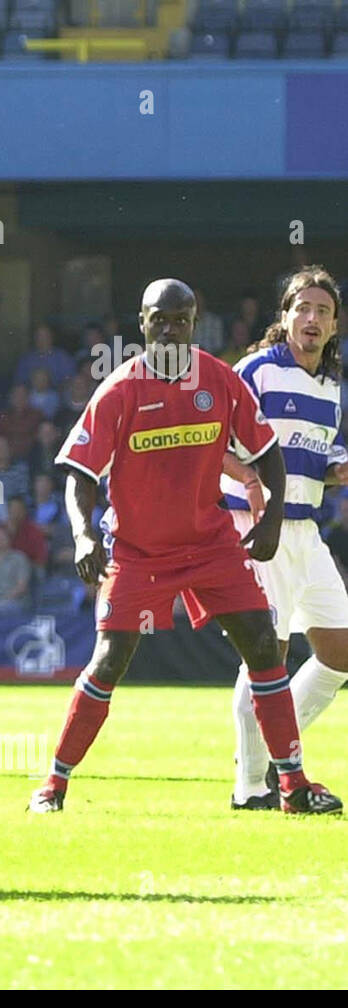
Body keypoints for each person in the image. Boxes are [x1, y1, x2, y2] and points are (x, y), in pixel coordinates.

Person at [30, 277, 341, 815]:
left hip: (212, 543)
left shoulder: (219, 380)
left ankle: (289, 784)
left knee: (265, 648)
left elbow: (268, 452)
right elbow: (79, 474)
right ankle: (54, 785)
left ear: (195, 324)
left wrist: (265, 523)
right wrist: (83, 534)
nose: (170, 329)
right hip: (138, 551)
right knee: (109, 661)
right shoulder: (121, 388)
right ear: (142, 323)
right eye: (160, 320)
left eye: (181, 320)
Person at [220, 267, 348, 810]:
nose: (312, 319)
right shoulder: (256, 372)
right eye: (303, 308)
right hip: (256, 529)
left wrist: (339, 470)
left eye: (323, 311)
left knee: (340, 653)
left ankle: (279, 752)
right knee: (265, 656)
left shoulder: (333, 386)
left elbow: (320, 463)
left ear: (335, 325)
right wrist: (250, 483)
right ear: (285, 317)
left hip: (305, 531)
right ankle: (251, 789)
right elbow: (210, 444)